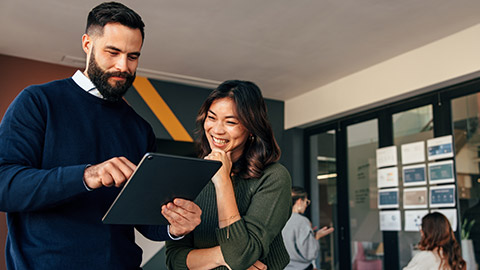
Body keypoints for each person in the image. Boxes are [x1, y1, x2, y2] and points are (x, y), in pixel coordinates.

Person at [0, 2, 202, 269]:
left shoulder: (140, 129)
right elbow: (4, 186)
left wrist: (175, 226)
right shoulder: (38, 102)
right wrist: (87, 175)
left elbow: (144, 219)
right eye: (113, 52)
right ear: (87, 44)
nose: (123, 66)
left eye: (133, 56)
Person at [165, 80, 292, 269]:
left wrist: (222, 180)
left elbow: (240, 255)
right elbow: (174, 259)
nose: (217, 130)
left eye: (230, 122)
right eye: (212, 117)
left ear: (251, 128)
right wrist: (221, 256)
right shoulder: (189, 176)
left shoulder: (273, 177)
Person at [282, 186, 334, 270]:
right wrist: (316, 237)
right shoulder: (302, 221)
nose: (306, 205)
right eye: (306, 202)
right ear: (299, 201)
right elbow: (310, 253)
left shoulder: (278, 219)